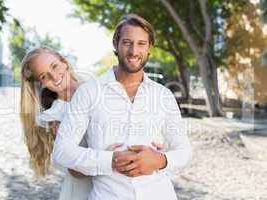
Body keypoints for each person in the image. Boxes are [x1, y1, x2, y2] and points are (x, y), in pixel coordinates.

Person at [52, 13, 192, 200]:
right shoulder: (89, 92)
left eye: (141, 44)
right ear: (116, 44)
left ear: (149, 47)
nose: (134, 51)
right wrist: (109, 161)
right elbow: (61, 152)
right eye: (127, 42)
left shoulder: (163, 95)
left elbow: (184, 151)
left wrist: (160, 159)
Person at [20, 46, 92, 200]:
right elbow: (77, 171)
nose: (54, 76)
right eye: (44, 76)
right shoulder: (55, 116)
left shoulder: (97, 87)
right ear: (42, 83)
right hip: (85, 191)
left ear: (64, 62)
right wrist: (111, 159)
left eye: (54, 66)